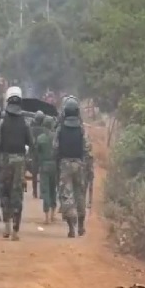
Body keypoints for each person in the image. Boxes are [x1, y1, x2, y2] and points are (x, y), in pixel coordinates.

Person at [0, 86, 33, 241]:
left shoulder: (2, 123)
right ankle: (16, 230)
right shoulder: (25, 122)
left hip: (5, 161)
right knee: (17, 195)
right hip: (20, 162)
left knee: (5, 193)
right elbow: (31, 143)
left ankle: (7, 226)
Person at [53, 96, 93, 238]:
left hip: (64, 164)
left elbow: (55, 147)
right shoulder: (82, 129)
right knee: (80, 194)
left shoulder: (60, 128)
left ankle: (71, 228)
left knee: (66, 195)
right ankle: (81, 226)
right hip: (80, 164)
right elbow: (87, 148)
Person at [36, 116, 58, 224]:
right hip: (55, 166)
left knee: (46, 191)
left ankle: (47, 216)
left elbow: (37, 154)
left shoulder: (40, 138)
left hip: (44, 166)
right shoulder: (56, 138)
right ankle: (53, 213)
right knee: (53, 189)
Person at [29, 110, 45, 199]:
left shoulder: (32, 128)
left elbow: (31, 142)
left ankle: (35, 192)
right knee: (42, 174)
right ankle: (42, 193)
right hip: (42, 153)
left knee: (34, 174)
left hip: (34, 153)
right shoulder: (44, 129)